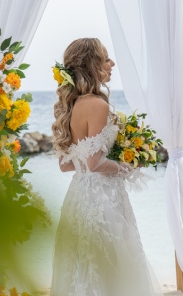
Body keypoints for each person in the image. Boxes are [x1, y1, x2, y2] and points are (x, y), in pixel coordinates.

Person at [50, 37, 161, 296]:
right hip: (103, 200)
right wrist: (128, 166)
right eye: (106, 58)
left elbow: (66, 165)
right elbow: (95, 162)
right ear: (92, 64)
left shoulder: (72, 106)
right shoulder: (98, 105)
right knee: (114, 267)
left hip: (78, 198)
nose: (112, 63)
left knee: (82, 267)